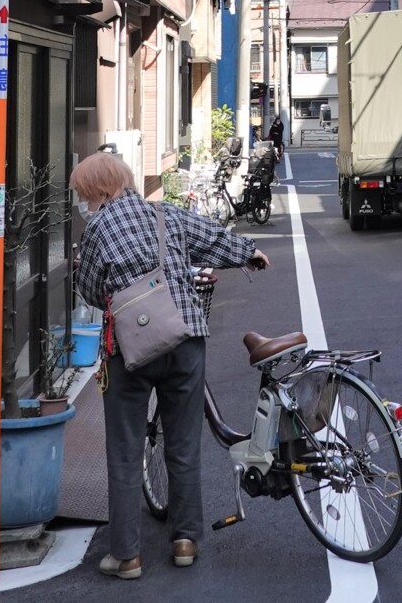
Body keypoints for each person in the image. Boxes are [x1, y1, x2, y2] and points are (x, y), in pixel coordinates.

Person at [70, 152, 270, 580]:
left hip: (130, 349)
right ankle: (184, 540)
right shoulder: (164, 214)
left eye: (83, 194)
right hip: (184, 339)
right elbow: (214, 238)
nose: (83, 201)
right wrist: (250, 253)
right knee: (183, 444)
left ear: (97, 191)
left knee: (125, 452)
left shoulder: (97, 229)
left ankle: (126, 556)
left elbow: (87, 289)